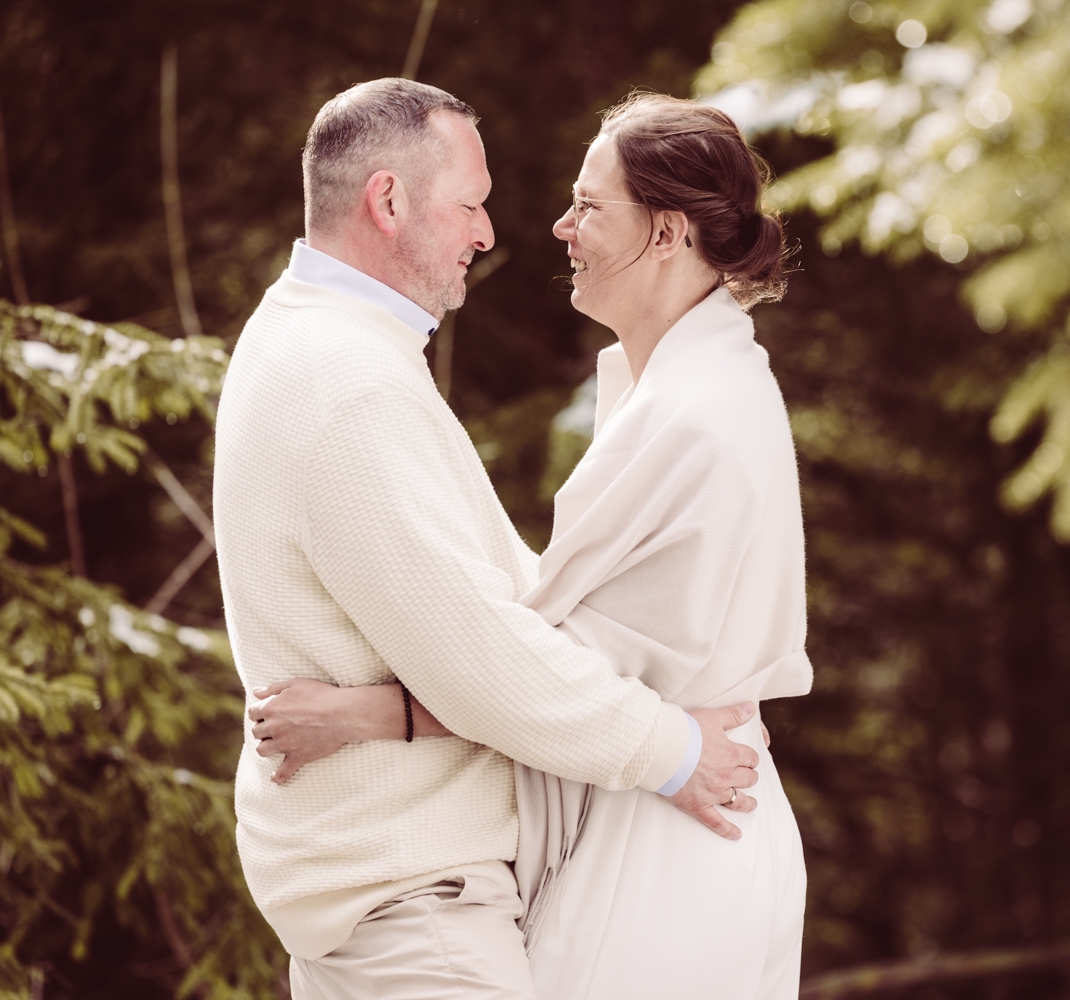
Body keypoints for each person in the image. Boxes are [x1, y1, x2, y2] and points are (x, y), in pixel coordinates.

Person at [251, 93, 813, 999]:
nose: (555, 227)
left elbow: (550, 664)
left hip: (677, 843)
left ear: (667, 234)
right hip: (659, 820)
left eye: (590, 207)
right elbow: (542, 651)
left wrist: (366, 716)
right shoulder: (679, 387)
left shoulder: (696, 415)